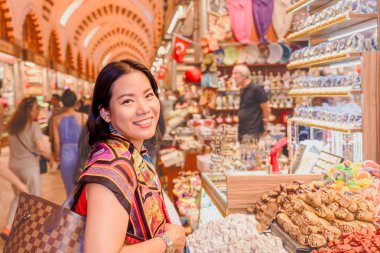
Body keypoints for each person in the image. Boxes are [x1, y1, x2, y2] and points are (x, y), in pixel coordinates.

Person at [73, 60, 186, 252]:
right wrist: (167, 240)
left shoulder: (131, 153)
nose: (144, 108)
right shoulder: (111, 171)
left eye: (148, 95)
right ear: (106, 113)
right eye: (128, 101)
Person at [1, 97, 51, 240]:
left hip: (13, 167)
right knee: (35, 198)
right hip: (29, 167)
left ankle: (9, 227)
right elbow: (41, 149)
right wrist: (51, 157)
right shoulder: (33, 126)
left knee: (19, 197)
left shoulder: (12, 127)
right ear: (29, 110)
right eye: (35, 108)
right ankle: (35, 228)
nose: (37, 111)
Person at [52, 89, 87, 195]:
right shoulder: (83, 117)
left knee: (70, 190)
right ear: (75, 101)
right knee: (82, 189)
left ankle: (72, 210)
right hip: (82, 155)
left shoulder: (56, 119)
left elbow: (57, 143)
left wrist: (57, 158)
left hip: (65, 155)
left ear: (62, 102)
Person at [232, 65, 270, 141]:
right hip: (243, 130)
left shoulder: (255, 89)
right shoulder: (243, 90)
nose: (233, 76)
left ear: (244, 75)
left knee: (248, 152)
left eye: (236, 73)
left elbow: (266, 108)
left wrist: (265, 126)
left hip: (252, 131)